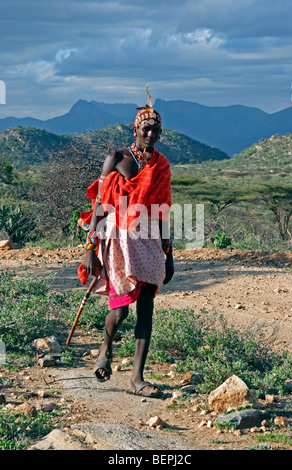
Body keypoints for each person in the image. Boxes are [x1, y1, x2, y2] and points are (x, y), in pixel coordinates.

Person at [77, 87, 174, 398]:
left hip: (148, 241)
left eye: (157, 130)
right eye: (147, 128)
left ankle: (137, 377)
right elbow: (101, 208)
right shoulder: (116, 159)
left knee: (146, 307)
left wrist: (168, 255)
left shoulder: (161, 167)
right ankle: (104, 351)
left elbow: (163, 213)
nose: (152, 134)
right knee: (120, 310)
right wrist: (91, 249)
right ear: (136, 129)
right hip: (118, 239)